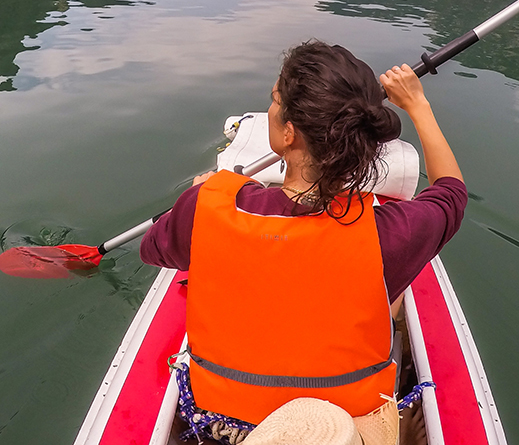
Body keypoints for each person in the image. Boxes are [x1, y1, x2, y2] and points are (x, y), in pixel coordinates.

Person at [140, 41, 466, 443]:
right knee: (387, 287)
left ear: (289, 132)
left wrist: (195, 202)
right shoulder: (388, 234)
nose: (271, 108)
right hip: (344, 421)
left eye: (275, 100)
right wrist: (418, 105)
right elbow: (452, 193)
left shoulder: (205, 205)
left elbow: (154, 250)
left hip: (220, 422)